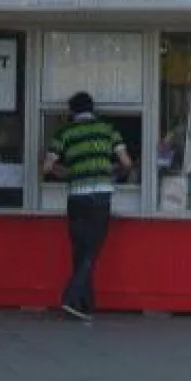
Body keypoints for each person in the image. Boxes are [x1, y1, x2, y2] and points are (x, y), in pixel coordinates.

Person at [42, 91, 133, 322]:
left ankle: (84, 305)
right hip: (101, 196)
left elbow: (47, 167)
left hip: (77, 197)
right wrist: (111, 173)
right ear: (93, 109)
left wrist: (71, 174)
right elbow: (126, 163)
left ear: (72, 112)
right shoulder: (108, 130)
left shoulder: (65, 132)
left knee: (80, 249)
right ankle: (71, 296)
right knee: (92, 250)